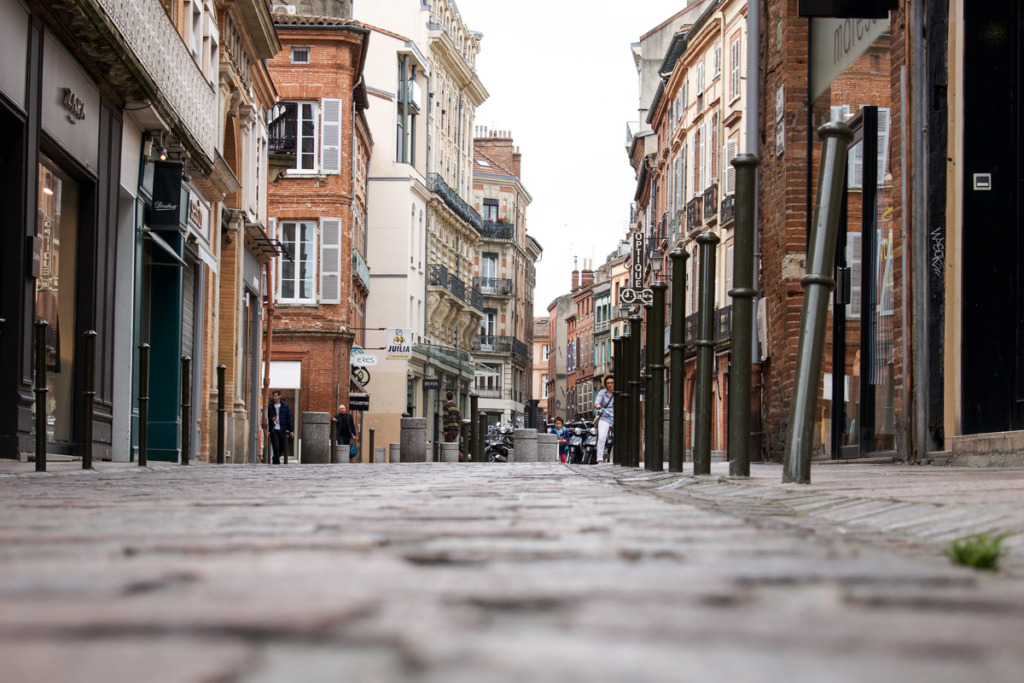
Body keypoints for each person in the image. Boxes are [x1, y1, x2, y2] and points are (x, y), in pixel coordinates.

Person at [267, 390, 293, 465]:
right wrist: (272, 419)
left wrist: (291, 430)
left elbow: (289, 418)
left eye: (275, 396)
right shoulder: (271, 405)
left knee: (282, 447)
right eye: (273, 396)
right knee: (275, 446)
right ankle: (276, 463)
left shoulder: (285, 405)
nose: (274, 397)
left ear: (279, 396)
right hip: (274, 428)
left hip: (282, 428)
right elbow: (268, 416)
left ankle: (275, 458)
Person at [594, 374, 614, 463]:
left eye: (612, 383)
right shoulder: (602, 392)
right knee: (602, 438)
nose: (610, 385)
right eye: (608, 383)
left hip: (616, 418)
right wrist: (598, 405)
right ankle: (599, 459)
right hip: (605, 417)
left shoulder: (617, 392)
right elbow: (597, 401)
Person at [442, 391, 462, 460]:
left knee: (450, 447)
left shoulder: (446, 407)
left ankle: (463, 458)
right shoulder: (457, 408)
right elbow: (459, 419)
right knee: (452, 445)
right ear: (453, 397)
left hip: (449, 430)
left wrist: (445, 430)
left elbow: (445, 419)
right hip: (455, 430)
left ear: (446, 397)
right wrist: (457, 428)